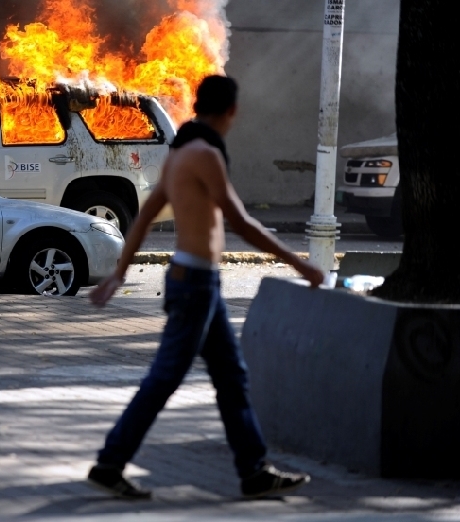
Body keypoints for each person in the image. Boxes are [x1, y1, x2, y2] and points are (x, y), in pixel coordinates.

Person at [86, 75, 325, 500]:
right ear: (230, 112)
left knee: (232, 378)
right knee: (164, 379)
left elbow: (143, 218)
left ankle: (253, 471)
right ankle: (109, 463)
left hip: (196, 283)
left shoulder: (179, 153)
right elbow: (240, 222)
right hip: (195, 283)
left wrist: (119, 274)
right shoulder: (206, 155)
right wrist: (299, 264)